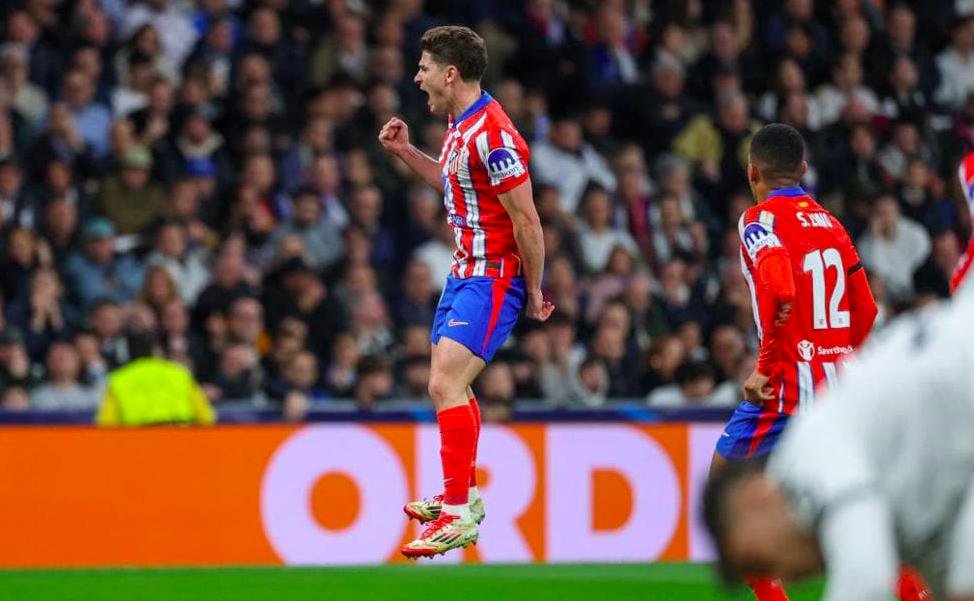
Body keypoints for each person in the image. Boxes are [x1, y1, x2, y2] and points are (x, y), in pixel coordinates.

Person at [378, 25, 553, 558]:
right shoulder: (461, 124)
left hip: (493, 276)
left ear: (450, 74)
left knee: (444, 383)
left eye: (424, 68)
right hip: (463, 273)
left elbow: (527, 219)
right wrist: (406, 152)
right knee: (450, 386)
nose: (417, 78)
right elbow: (454, 185)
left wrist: (533, 288)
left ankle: (457, 512)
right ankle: (464, 495)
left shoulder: (495, 137)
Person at [702, 290, 974, 601]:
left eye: (759, 561)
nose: (787, 576)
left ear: (755, 497)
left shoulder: (812, 455)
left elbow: (865, 584)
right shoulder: (904, 503)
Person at [711, 123, 878, 601]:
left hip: (787, 383)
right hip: (839, 386)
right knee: (858, 505)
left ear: (752, 172)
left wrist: (765, 367)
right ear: (803, 168)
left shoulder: (758, 221)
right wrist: (840, 361)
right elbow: (867, 310)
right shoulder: (831, 223)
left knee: (725, 494)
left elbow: (780, 288)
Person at [95, 330, 215, 427]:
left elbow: (105, 424)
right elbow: (206, 417)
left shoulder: (118, 379)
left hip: (137, 442)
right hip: (179, 438)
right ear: (155, 350)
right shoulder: (179, 373)